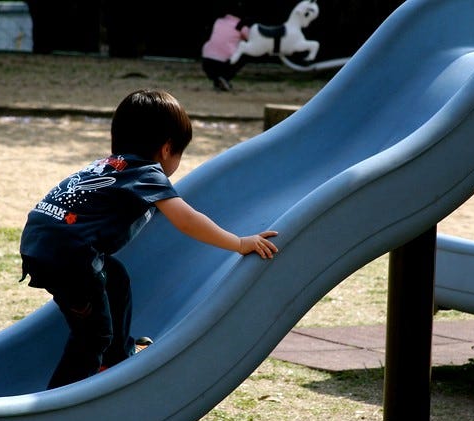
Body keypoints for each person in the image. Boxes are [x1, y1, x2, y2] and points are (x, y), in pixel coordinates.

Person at [19, 89, 279, 389]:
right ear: (168, 149)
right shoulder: (146, 174)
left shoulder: (107, 165)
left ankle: (115, 358)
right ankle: (58, 402)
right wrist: (240, 243)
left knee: (114, 277)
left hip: (40, 239)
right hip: (69, 256)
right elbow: (187, 220)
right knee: (93, 335)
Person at [201, 13, 250, 91]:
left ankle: (219, 82)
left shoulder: (219, 21)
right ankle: (225, 77)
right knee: (245, 53)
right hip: (224, 62)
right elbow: (250, 39)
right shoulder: (240, 25)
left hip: (207, 59)